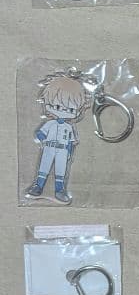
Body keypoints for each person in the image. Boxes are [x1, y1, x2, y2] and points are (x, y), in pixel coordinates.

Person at [24, 73, 91, 204]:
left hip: (63, 151)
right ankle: (38, 186)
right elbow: (40, 133)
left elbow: (71, 142)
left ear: (78, 110)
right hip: (49, 147)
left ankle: (60, 190)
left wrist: (70, 153)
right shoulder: (50, 123)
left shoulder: (69, 127)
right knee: (44, 167)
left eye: (70, 109)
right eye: (58, 106)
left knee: (61, 170)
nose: (63, 110)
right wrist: (42, 139)